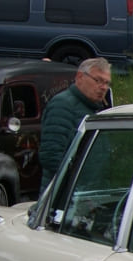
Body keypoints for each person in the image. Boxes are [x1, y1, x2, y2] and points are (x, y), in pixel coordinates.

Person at [40, 58, 112, 187]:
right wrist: (77, 186)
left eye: (107, 83)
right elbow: (51, 156)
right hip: (65, 196)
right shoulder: (62, 105)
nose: (103, 87)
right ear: (80, 77)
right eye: (98, 80)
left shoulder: (96, 110)